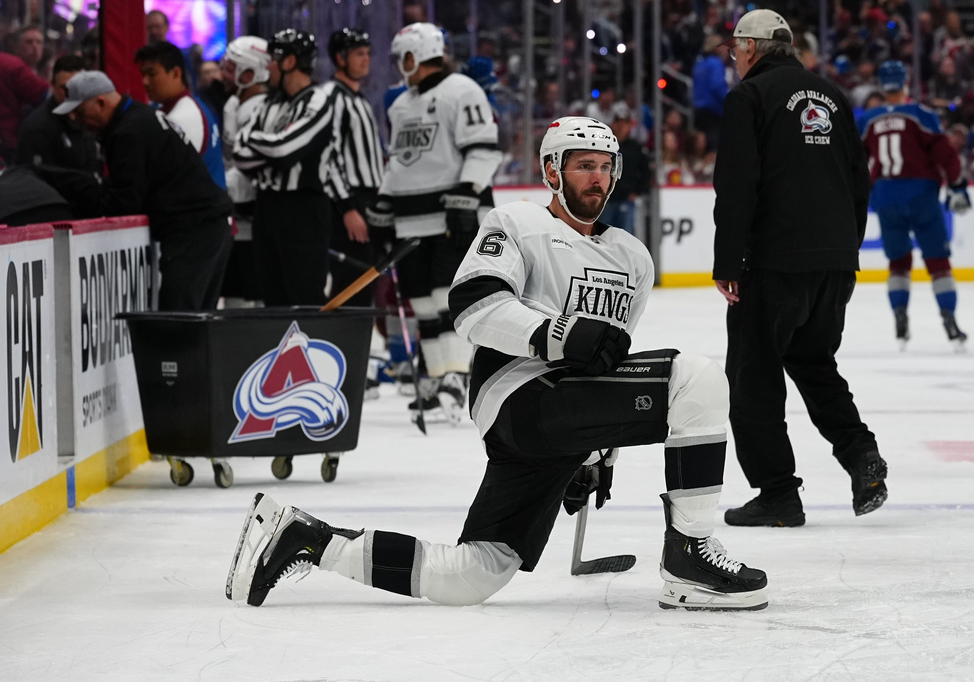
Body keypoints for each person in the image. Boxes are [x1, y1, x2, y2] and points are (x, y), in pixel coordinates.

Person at [226, 116, 769, 612]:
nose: (597, 178)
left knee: (474, 574)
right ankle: (690, 557)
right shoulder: (518, 222)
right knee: (696, 376)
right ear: (552, 169)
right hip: (518, 394)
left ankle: (302, 538)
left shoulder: (633, 257)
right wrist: (555, 333)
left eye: (605, 167)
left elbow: (609, 359)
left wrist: (597, 450)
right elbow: (474, 304)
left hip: (562, 417)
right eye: (584, 165)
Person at [712, 10, 887, 527]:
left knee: (753, 377)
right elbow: (860, 181)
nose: (734, 58)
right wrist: (843, 250)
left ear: (751, 47)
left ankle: (778, 495)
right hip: (833, 264)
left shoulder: (749, 97)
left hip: (774, 263)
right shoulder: (832, 95)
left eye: (735, 49)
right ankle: (861, 456)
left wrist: (728, 262)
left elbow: (737, 185)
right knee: (814, 363)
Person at [364, 22, 502, 422]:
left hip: (448, 215)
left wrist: (468, 192)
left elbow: (484, 149)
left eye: (401, 57)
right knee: (421, 302)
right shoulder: (400, 104)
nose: (398, 65)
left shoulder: (462, 91)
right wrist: (385, 200)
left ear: (414, 55)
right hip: (410, 219)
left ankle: (457, 377)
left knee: (446, 296)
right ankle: (436, 376)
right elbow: (399, 161)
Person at [54, 71, 233, 311]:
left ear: (100, 103)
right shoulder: (143, 116)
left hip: (193, 231)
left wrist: (81, 195)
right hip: (210, 226)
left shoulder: (128, 132)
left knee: (179, 323)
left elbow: (123, 203)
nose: (75, 118)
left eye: (80, 111)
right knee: (197, 322)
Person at [858, 60, 971, 350]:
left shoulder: (867, 120)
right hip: (921, 195)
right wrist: (957, 187)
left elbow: (854, 164)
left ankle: (900, 317)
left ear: (882, 86)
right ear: (905, 83)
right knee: (938, 262)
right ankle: (950, 320)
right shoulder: (922, 115)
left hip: (885, 197)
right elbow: (947, 156)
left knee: (898, 263)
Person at [233, 29, 336, 306]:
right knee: (272, 297)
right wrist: (271, 145)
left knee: (303, 296)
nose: (267, 67)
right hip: (266, 208)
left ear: (290, 62)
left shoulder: (318, 100)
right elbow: (239, 154)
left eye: (272, 60)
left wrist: (256, 140)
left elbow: (284, 150)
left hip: (303, 210)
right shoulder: (268, 103)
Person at [320, 27, 383, 308]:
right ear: (340, 58)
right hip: (349, 202)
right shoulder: (331, 96)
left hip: (367, 199)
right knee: (351, 283)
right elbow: (327, 155)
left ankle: (355, 350)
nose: (366, 59)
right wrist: (347, 207)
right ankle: (342, 349)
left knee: (366, 282)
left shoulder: (358, 98)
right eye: (359, 54)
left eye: (368, 54)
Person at [219, 36, 271, 307]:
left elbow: (249, 166)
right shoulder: (234, 104)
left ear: (249, 74)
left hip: (254, 218)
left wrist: (216, 187)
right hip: (236, 219)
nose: (222, 74)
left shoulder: (261, 109)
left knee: (254, 297)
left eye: (230, 68)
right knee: (235, 295)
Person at [15, 54, 103, 216]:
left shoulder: (92, 119)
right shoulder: (38, 128)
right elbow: (35, 179)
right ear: (52, 86)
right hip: (58, 216)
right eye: (65, 88)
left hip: (90, 212)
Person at [135, 41, 226, 189]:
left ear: (176, 73)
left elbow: (163, 180)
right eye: (143, 74)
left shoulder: (184, 117)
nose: (145, 82)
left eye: (152, 74)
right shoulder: (186, 105)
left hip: (200, 209)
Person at [598, 102, 649, 235]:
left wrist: (637, 192)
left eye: (624, 123)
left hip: (626, 199)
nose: (621, 126)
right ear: (613, 124)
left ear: (629, 126)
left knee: (626, 236)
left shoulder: (636, 148)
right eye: (618, 122)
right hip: (606, 200)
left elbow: (646, 172)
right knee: (603, 235)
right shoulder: (604, 146)